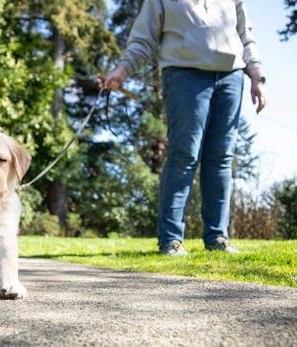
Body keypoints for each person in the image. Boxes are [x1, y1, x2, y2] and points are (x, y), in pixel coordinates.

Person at [100, 0, 267, 256]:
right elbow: (143, 39)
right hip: (184, 74)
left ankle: (217, 237)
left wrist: (257, 76)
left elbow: (246, 36)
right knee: (184, 154)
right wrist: (122, 71)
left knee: (221, 158)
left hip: (231, 76)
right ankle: (171, 240)